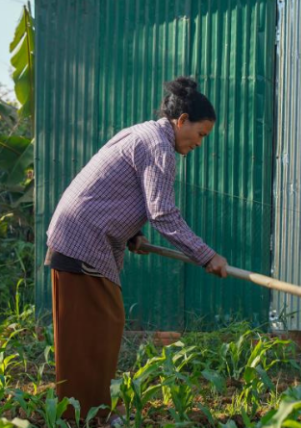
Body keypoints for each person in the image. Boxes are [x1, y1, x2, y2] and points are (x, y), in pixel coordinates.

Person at [45, 76, 228, 424]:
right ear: (181, 120)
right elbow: (162, 213)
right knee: (91, 334)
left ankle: (91, 413)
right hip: (82, 240)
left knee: (100, 329)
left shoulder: (145, 133)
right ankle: (83, 417)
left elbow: (116, 190)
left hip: (82, 237)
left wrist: (134, 236)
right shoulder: (159, 147)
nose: (200, 144)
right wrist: (207, 255)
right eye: (201, 134)